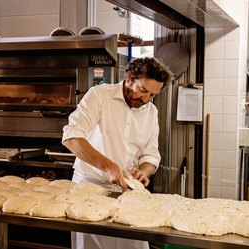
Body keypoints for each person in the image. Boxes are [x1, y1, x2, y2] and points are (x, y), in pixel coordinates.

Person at [62, 57, 173, 249]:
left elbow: (151, 155)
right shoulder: (99, 96)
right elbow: (72, 137)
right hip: (88, 189)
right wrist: (107, 166)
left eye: (152, 96)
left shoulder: (151, 112)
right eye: (143, 90)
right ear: (129, 78)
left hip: (127, 194)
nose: (145, 100)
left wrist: (143, 172)